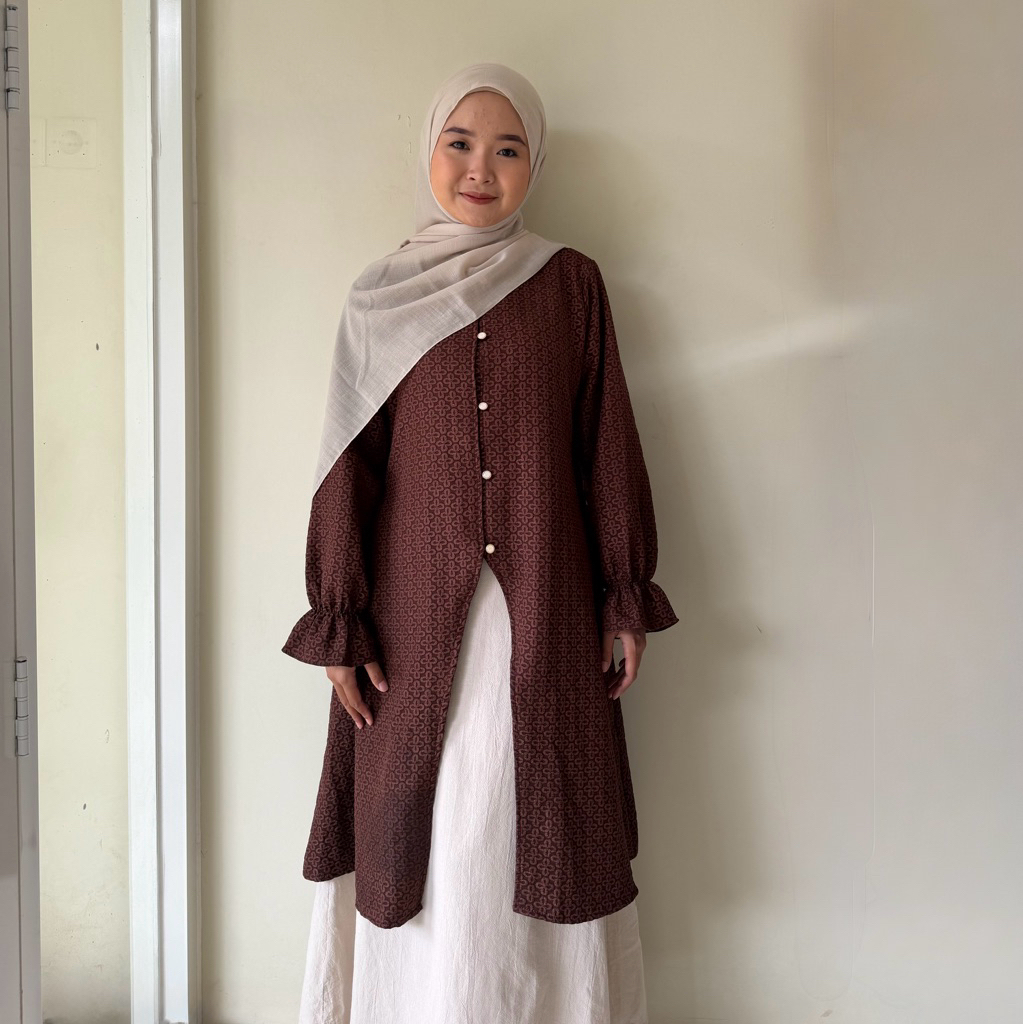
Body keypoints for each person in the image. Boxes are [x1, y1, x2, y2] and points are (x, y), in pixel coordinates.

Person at [283, 61, 679, 1024]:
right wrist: (339, 620)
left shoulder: (571, 284)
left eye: (508, 150)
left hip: (547, 611)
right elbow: (346, 465)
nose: (480, 169)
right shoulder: (379, 297)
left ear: (534, 166)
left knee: (531, 818)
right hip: (411, 622)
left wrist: (625, 592)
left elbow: (607, 442)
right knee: (427, 823)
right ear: (428, 150)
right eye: (459, 143)